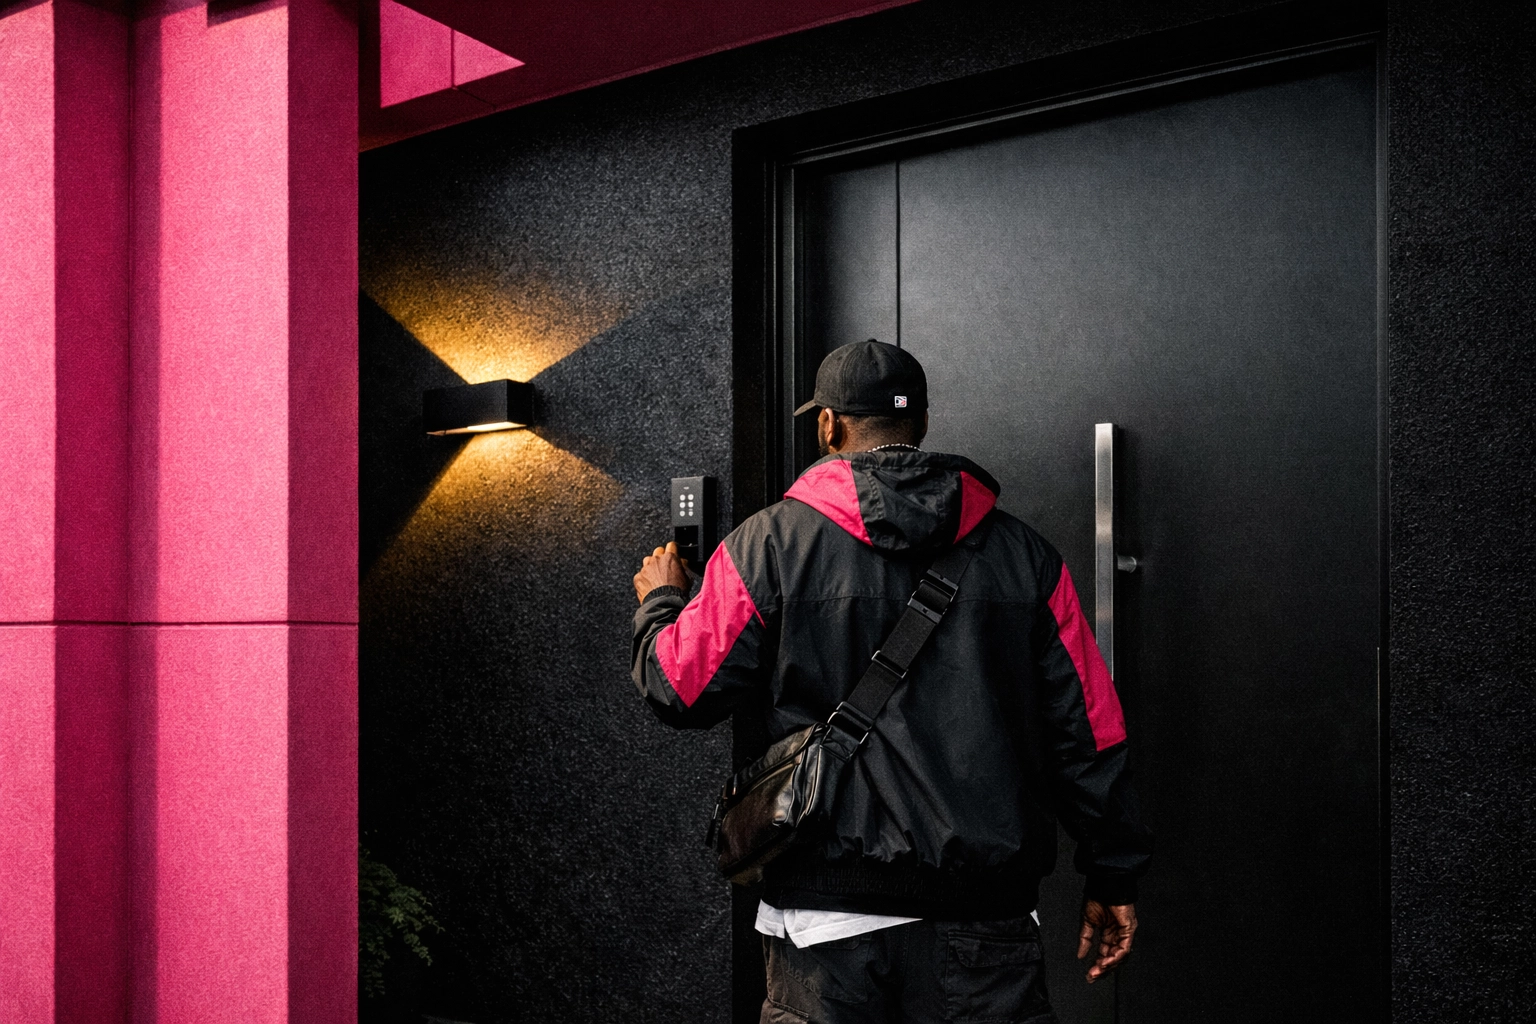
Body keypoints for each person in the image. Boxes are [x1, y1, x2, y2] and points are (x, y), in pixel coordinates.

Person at [630, 340, 1152, 1023]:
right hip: (983, 920)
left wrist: (661, 602)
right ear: (922, 423)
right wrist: (1113, 871)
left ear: (828, 426)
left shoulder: (767, 546)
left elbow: (679, 688)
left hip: (824, 926)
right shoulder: (1027, 557)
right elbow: (1089, 730)